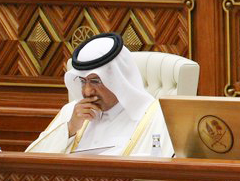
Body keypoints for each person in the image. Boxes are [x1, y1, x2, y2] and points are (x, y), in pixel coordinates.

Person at [26, 33, 173, 157]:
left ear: (117, 79)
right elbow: (30, 163)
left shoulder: (158, 117)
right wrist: (70, 129)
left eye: (96, 81)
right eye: (83, 81)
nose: (87, 91)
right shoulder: (71, 113)